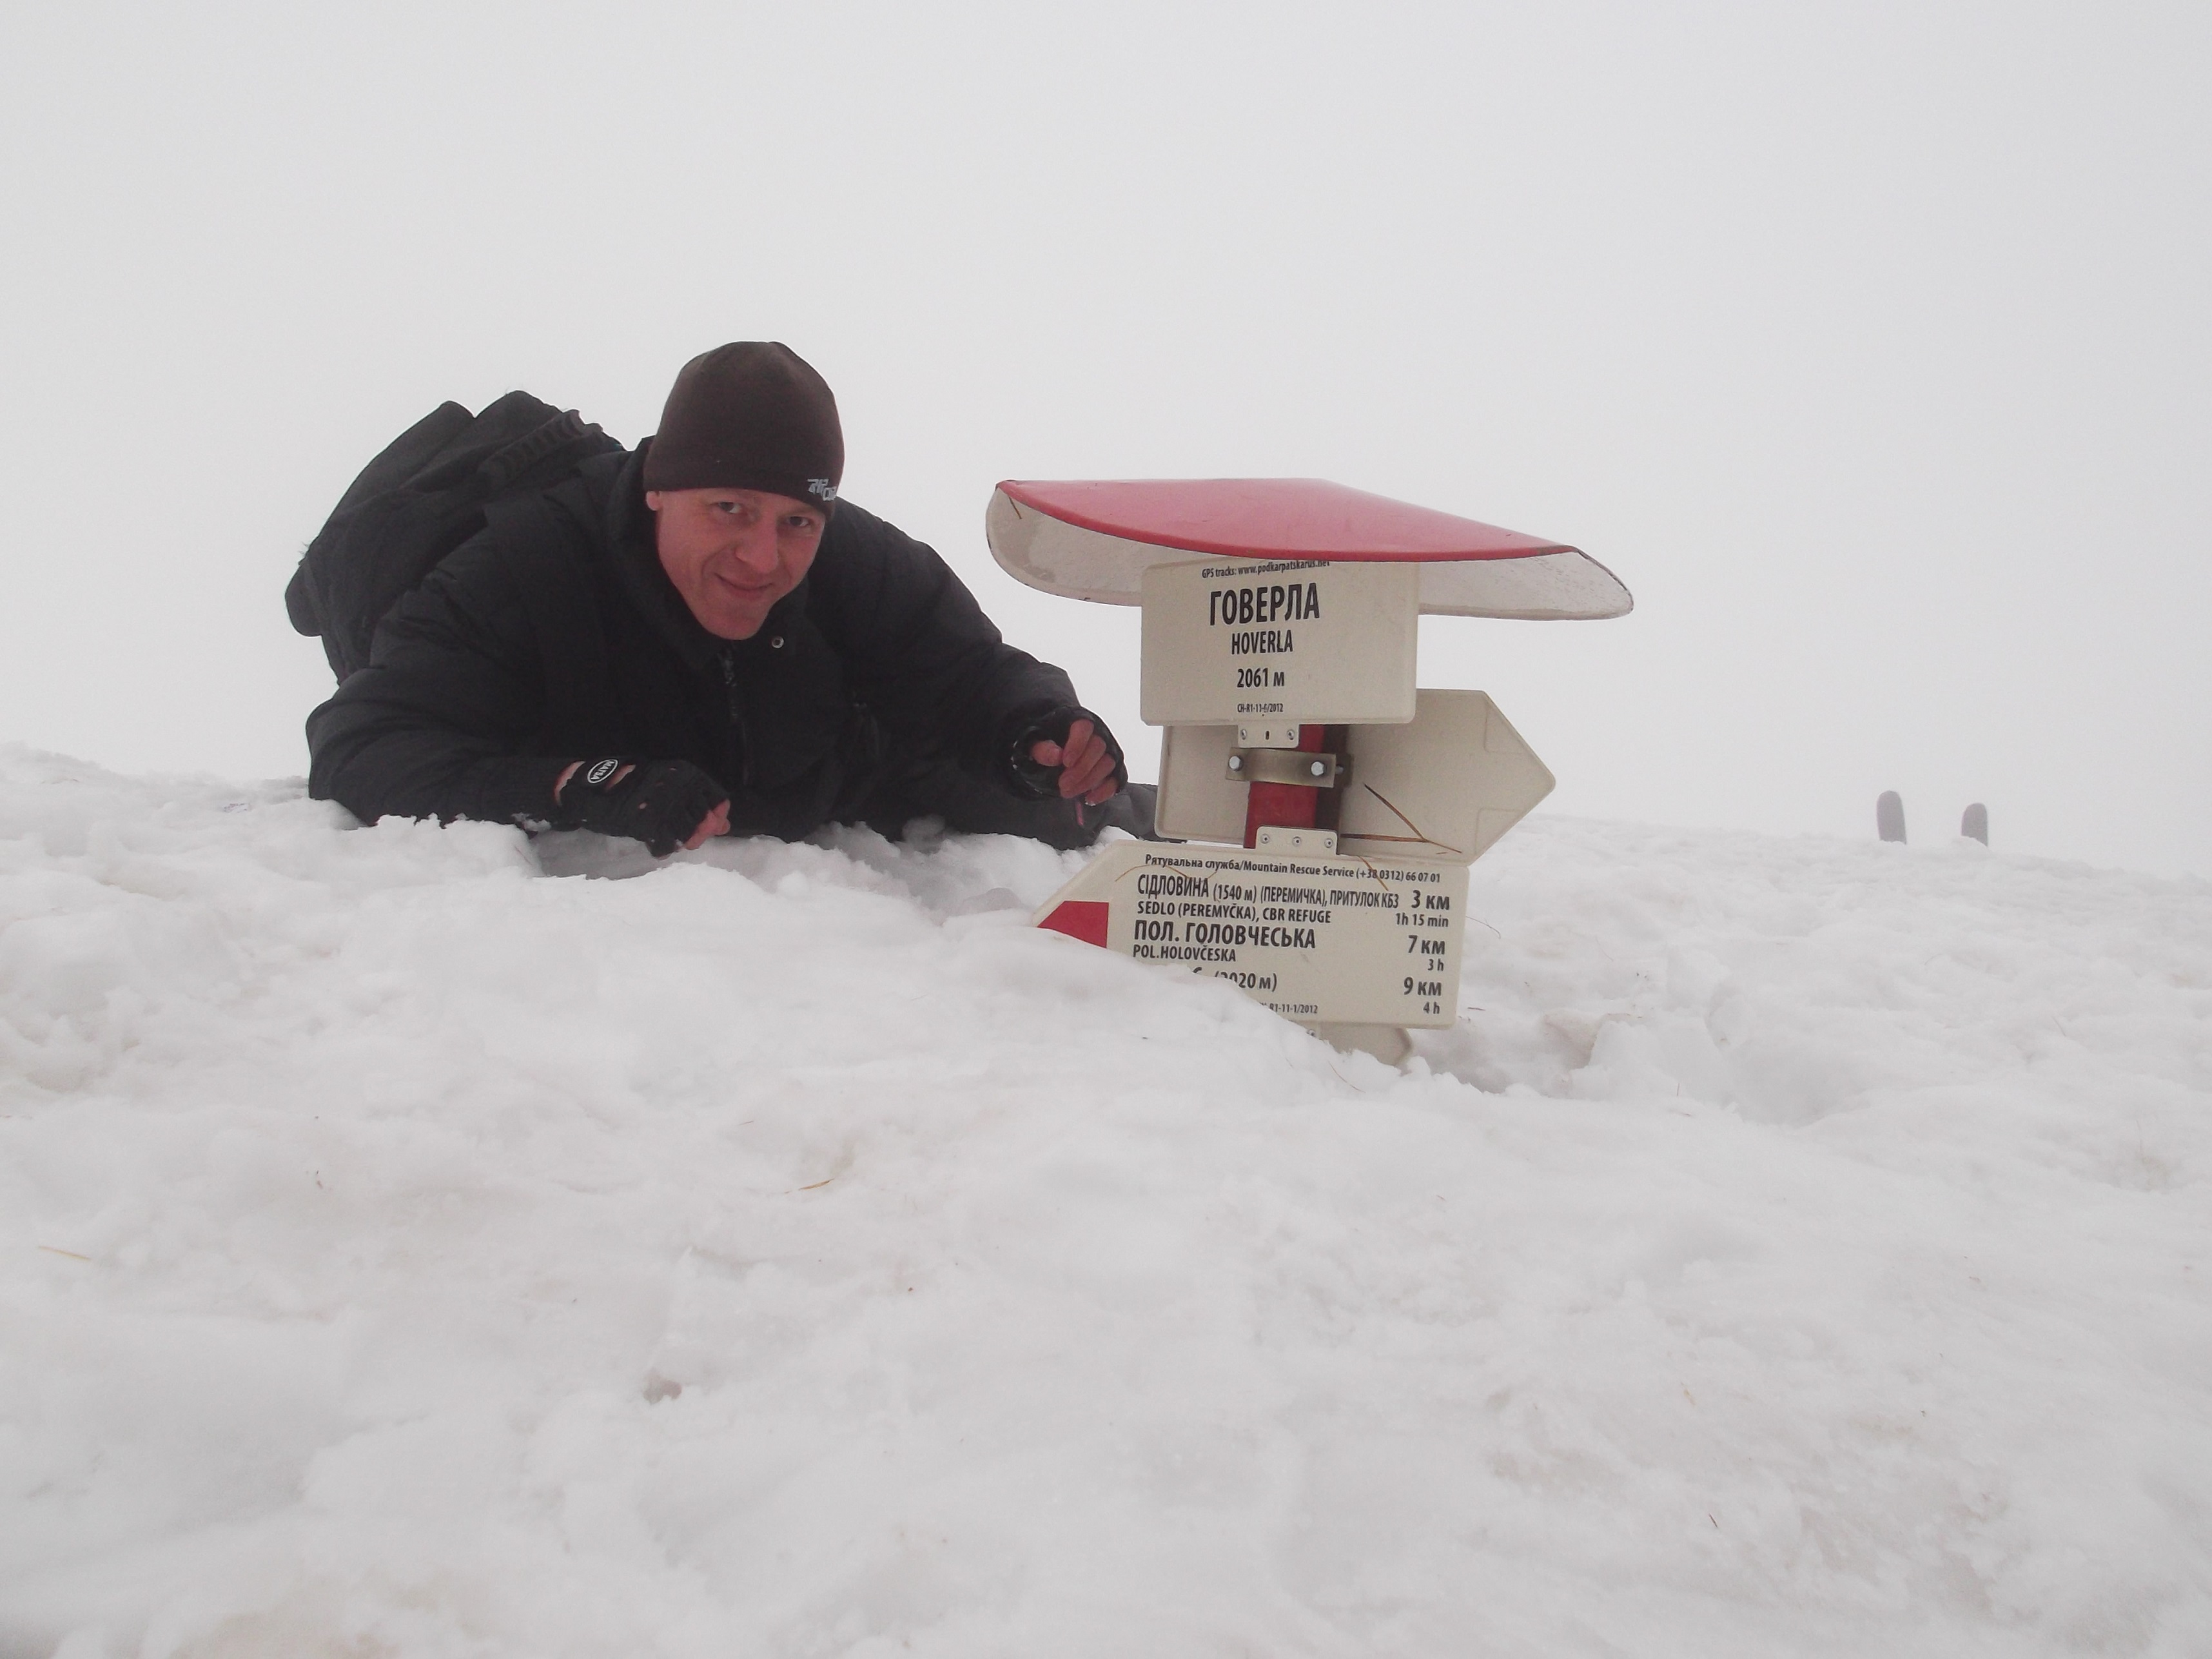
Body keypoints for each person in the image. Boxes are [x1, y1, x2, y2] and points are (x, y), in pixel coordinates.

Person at [307, 342, 1147, 855]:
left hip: (813, 769)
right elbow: (361, 744)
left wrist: (1033, 733)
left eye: (796, 521)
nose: (762, 556)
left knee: (1067, 808)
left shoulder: (846, 555)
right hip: (602, 807)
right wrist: (580, 783)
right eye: (729, 510)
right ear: (657, 490)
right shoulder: (523, 569)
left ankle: (1205, 832)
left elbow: (964, 673)